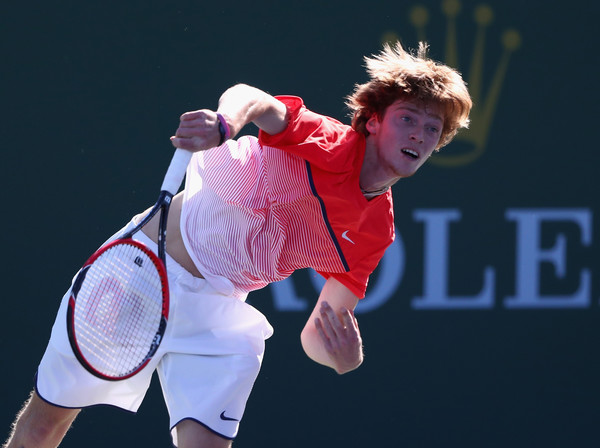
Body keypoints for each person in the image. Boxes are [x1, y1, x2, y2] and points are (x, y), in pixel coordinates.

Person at [4, 41, 472, 448]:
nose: (418, 134)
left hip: (220, 311)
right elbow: (250, 98)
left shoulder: (375, 232)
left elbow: (317, 333)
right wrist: (224, 125)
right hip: (143, 272)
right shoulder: (327, 141)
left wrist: (342, 358)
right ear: (372, 122)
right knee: (42, 431)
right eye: (407, 119)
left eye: (432, 130)